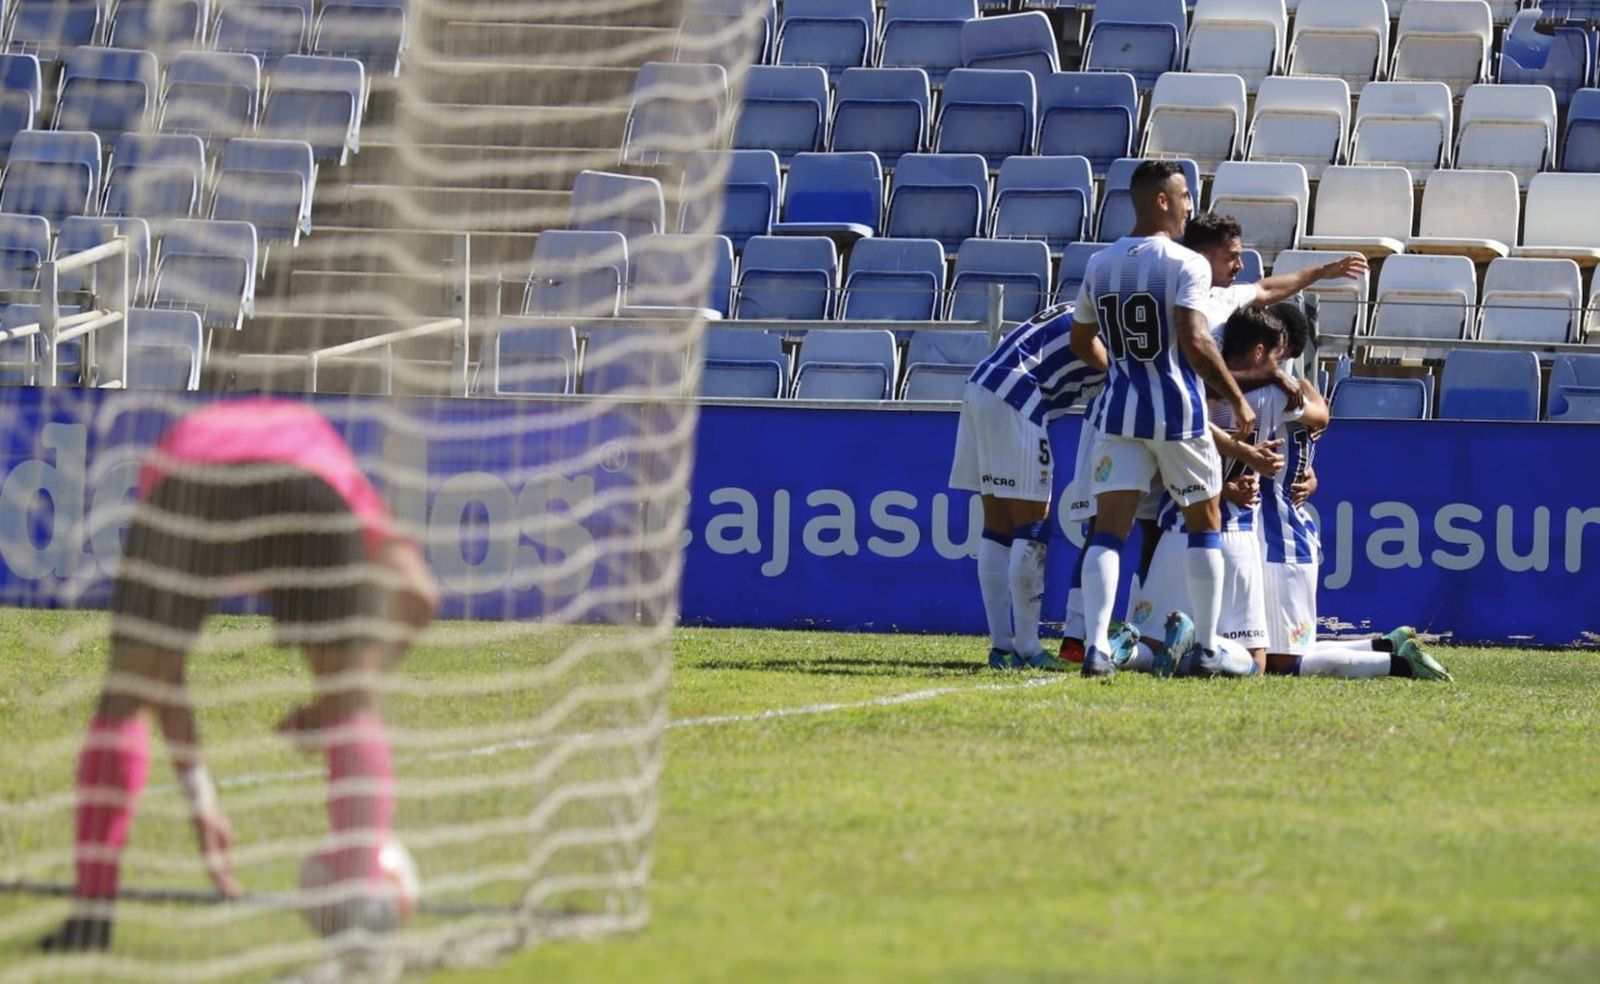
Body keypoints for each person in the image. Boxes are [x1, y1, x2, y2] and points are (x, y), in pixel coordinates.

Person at [39, 398, 440, 953]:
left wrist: (199, 798)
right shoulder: (327, 454)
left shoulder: (184, 445)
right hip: (306, 487)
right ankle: (361, 902)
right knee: (354, 706)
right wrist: (338, 704)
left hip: (191, 482)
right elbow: (421, 594)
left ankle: (91, 917)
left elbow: (163, 674)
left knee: (125, 697)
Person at [1068, 160, 1256, 678]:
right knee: (1206, 522)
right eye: (1185, 197)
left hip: (1119, 414)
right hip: (1179, 414)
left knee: (1109, 531)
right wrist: (1237, 398)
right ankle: (1210, 646)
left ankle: (1096, 648)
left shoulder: (1099, 264)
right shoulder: (1187, 263)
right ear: (1162, 201)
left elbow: (1081, 342)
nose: (1190, 207)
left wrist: (1123, 372)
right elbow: (1195, 340)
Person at [1254, 303, 1453, 682]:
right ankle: (1387, 646)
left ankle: (1397, 665)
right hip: (1282, 533)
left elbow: (1315, 420)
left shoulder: (1279, 393)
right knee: (1285, 649)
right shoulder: (1305, 391)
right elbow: (1317, 423)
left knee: (1285, 662)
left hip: (1279, 539)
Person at [1119, 307, 1288, 677]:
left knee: (1150, 646)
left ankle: (1124, 653)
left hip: (1175, 530)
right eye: (1278, 358)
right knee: (1255, 663)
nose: (1281, 367)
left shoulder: (1186, 388)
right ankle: (1199, 640)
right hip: (1232, 536)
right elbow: (1318, 413)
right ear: (1259, 352)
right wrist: (1282, 381)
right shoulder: (1276, 393)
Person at [950, 301, 1105, 670]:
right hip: (1018, 394)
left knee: (998, 524)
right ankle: (1028, 647)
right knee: (1032, 522)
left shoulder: (1086, 302)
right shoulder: (1116, 319)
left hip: (983, 383)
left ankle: (1002, 646)